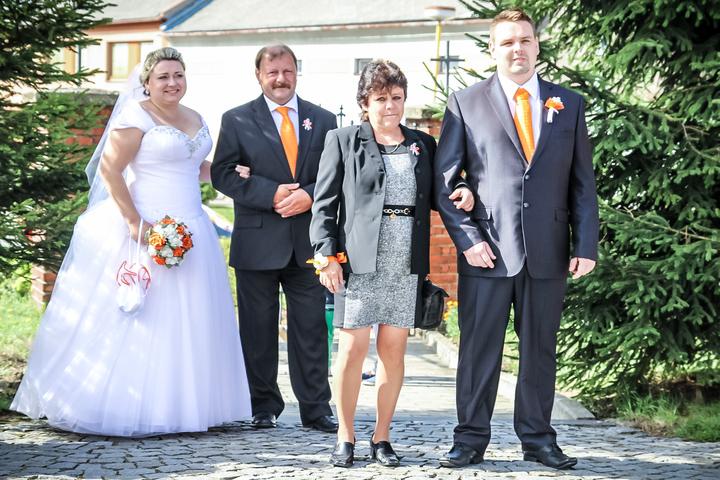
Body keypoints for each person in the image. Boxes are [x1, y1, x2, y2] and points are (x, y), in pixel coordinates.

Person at [11, 47, 252, 437]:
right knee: (144, 314)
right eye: (163, 77)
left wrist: (228, 173)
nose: (172, 83)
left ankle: (184, 406)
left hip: (192, 228)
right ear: (147, 83)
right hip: (147, 225)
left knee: (190, 317)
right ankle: (130, 405)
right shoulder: (136, 117)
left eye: (178, 75)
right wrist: (134, 222)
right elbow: (110, 170)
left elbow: (193, 166)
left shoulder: (195, 116)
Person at [433, 8, 599, 470]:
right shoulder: (465, 103)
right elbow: (445, 184)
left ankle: (539, 439)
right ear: (493, 49)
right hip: (486, 251)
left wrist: (585, 244)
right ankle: (469, 439)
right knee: (477, 351)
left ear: (536, 46)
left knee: (540, 351)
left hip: (548, 251)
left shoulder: (568, 103)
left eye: (524, 40)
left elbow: (582, 183)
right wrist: (468, 240)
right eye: (507, 42)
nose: (517, 49)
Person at [310, 59, 475, 468]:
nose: (390, 106)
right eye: (381, 98)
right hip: (357, 263)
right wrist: (325, 256)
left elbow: (443, 188)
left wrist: (464, 189)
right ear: (365, 102)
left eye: (397, 97)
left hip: (405, 262)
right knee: (351, 350)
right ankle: (345, 435)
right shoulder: (343, 140)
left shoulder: (423, 144)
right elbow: (324, 205)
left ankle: (381, 436)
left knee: (393, 352)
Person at [211, 44, 338, 433]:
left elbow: (336, 173)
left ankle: (316, 408)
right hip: (257, 242)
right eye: (272, 73)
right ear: (259, 76)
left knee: (311, 328)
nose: (281, 79)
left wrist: (309, 195)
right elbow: (222, 173)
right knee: (257, 330)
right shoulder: (237, 119)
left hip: (307, 243)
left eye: (287, 71)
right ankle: (262, 404)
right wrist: (271, 193)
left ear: (297, 72)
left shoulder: (323, 119)